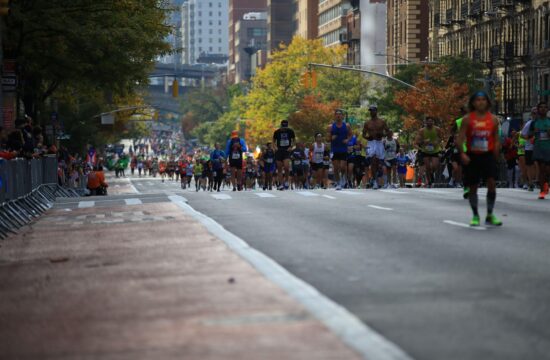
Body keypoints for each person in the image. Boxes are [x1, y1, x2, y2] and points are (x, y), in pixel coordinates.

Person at [457, 91, 502, 226]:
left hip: (488, 155)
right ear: (473, 103)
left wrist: (496, 152)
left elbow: (496, 139)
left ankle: (489, 213)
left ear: (488, 102)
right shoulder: (467, 119)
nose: (481, 102)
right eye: (478, 100)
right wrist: (462, 154)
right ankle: (475, 215)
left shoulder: (493, 119)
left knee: (492, 184)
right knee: (473, 187)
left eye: (483, 100)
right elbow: (460, 139)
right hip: (473, 155)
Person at [524, 101, 550, 199]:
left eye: (545, 107)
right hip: (538, 148)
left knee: (548, 169)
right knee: (542, 169)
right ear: (538, 110)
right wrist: (533, 133)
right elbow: (528, 135)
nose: (543, 109)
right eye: (541, 107)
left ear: (547, 110)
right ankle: (542, 190)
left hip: (548, 147)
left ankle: (546, 183)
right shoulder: (534, 123)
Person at [362, 105, 389, 189]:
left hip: (379, 142)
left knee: (378, 162)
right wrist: (367, 137)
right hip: (371, 143)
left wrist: (382, 134)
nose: (371, 112)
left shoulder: (382, 122)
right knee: (373, 160)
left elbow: (388, 132)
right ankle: (374, 181)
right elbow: (363, 134)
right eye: (370, 111)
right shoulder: (367, 123)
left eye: (373, 110)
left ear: (376, 111)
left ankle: (380, 179)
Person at [328, 109, 352, 190]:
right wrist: (331, 138)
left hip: (343, 148)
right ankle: (338, 183)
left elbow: (350, 135)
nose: (338, 116)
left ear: (342, 116)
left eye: (340, 114)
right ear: (335, 116)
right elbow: (327, 139)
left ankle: (343, 178)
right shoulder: (331, 126)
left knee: (342, 167)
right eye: (337, 114)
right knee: (336, 168)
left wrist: (347, 140)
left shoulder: (347, 125)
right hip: (334, 149)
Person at [416, 117, 443, 187]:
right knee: (427, 167)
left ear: (433, 122)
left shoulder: (437, 129)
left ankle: (431, 174)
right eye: (428, 121)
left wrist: (437, 141)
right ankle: (429, 181)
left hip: (435, 150)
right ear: (426, 122)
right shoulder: (422, 131)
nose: (430, 123)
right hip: (425, 151)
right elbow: (417, 141)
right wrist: (423, 141)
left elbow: (441, 137)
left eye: (431, 121)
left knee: (434, 166)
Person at [521, 107, 541, 192]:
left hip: (541, 147)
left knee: (540, 165)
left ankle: (538, 181)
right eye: (534, 113)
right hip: (530, 147)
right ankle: (531, 183)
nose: (535, 115)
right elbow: (522, 135)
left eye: (537, 113)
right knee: (529, 165)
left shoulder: (543, 122)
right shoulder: (529, 123)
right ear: (531, 114)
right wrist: (530, 137)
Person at [273, 120, 296, 190]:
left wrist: (291, 147)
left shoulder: (290, 131)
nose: (284, 128)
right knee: (279, 168)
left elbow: (294, 140)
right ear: (281, 125)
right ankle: (281, 184)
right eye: (283, 127)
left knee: (286, 167)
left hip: (287, 151)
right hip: (279, 151)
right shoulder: (277, 132)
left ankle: (286, 181)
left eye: (285, 127)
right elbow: (273, 141)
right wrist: (275, 147)